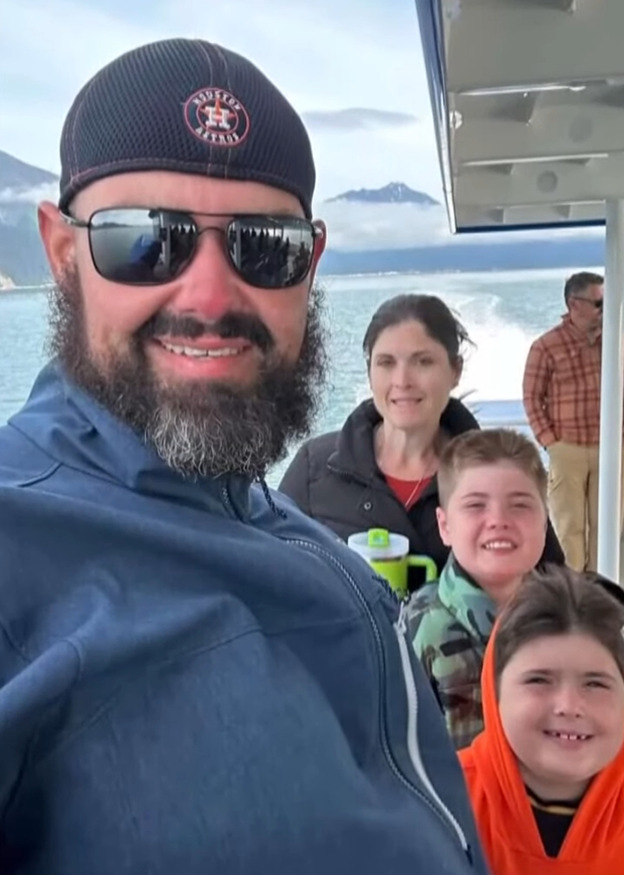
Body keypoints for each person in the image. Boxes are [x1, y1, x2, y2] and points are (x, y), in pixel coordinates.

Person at [0, 39, 489, 875]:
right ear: (62, 251)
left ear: (312, 263)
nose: (212, 297)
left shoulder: (294, 532)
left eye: (266, 245)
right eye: (146, 239)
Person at [280, 293, 564, 591]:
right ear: (369, 373)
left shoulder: (499, 474)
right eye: (386, 363)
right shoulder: (316, 467)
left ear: (455, 371)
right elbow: (271, 578)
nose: (402, 381)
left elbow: (554, 586)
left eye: (423, 362)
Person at [458, 566, 624, 874]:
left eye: (595, 683)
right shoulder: (437, 812)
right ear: (495, 693)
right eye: (539, 680)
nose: (570, 706)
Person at [407, 428, 548, 749]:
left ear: (544, 522)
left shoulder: (569, 620)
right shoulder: (419, 630)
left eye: (519, 505)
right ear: (445, 526)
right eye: (475, 505)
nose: (498, 520)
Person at [523, 271, 624, 572]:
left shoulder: (622, 340)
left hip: (613, 448)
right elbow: (531, 397)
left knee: (608, 529)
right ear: (574, 304)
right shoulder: (545, 346)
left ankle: (602, 600)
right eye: (600, 303)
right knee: (568, 530)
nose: (606, 309)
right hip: (568, 449)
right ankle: (572, 599)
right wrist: (550, 441)